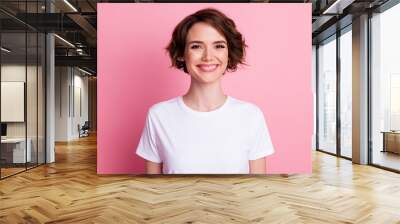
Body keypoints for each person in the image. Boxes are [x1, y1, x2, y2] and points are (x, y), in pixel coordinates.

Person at [136, 8, 274, 174]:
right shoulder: (159, 115)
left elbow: (257, 190)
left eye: (219, 46)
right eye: (196, 46)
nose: (208, 56)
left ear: (229, 54)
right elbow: (153, 189)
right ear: (181, 54)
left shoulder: (251, 115)